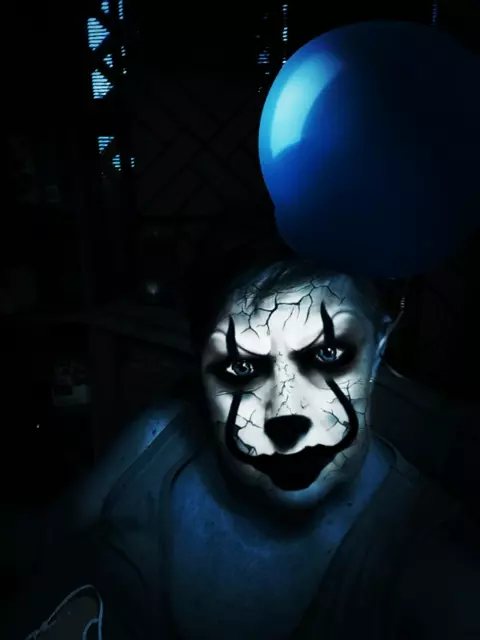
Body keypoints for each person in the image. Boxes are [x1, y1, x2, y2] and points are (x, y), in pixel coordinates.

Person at [8, 230, 480, 640]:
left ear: (378, 349)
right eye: (240, 367)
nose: (286, 414)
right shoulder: (157, 436)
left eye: (329, 355)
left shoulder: (434, 571)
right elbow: (47, 537)